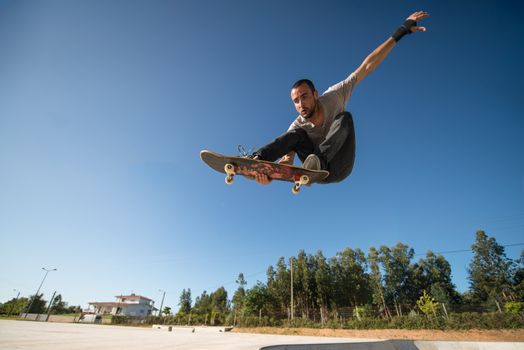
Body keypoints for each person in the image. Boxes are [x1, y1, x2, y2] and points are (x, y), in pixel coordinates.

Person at [250, 11, 429, 185]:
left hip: (339, 166)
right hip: (313, 172)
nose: (301, 104)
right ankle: (255, 160)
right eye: (296, 101)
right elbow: (287, 159)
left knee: (345, 117)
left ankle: (317, 161)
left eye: (304, 97)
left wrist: (402, 31)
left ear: (315, 94)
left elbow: (367, 66)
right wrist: (273, 173)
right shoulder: (297, 126)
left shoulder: (335, 95)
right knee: (294, 135)